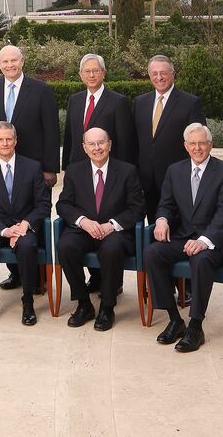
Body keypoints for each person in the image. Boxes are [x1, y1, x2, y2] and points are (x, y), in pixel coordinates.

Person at [145, 123, 223, 353]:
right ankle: (175, 319)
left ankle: (196, 326)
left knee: (201, 260)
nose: (198, 148)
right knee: (153, 253)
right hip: (183, 236)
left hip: (212, 242)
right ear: (186, 146)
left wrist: (204, 240)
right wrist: (162, 220)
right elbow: (165, 204)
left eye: (202, 143)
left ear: (210, 144)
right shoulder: (175, 171)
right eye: (193, 143)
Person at [0, 44, 60, 290]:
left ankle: (37, 278)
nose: (10, 65)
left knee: (32, 220)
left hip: (33, 170)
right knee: (4, 215)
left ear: (22, 61)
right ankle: (17, 273)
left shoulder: (41, 90)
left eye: (14, 60)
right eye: (5, 62)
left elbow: (51, 130)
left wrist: (50, 168)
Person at [56, 127, 145, 331]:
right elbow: (63, 205)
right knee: (65, 246)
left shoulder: (127, 171)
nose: (97, 148)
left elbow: (137, 208)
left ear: (110, 144)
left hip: (115, 231)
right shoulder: (74, 170)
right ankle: (84, 304)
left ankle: (107, 306)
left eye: (101, 143)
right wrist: (83, 221)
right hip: (84, 229)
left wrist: (111, 225)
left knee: (111, 250)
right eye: (92, 144)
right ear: (84, 147)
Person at [0, 121, 51, 326]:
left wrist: (25, 224)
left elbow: (43, 204)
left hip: (23, 225)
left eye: (9, 139)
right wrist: (4, 230)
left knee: (27, 245)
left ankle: (28, 301)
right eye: (0, 139)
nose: (5, 143)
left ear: (16, 141)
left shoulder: (32, 167)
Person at [134, 55, 206, 221]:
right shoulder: (140, 102)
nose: (159, 77)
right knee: (153, 225)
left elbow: (198, 143)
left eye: (163, 73)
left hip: (178, 178)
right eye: (154, 73)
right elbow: (135, 141)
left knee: (177, 227)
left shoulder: (190, 103)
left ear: (173, 74)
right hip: (146, 179)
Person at [62, 54, 136, 167]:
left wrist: (124, 172)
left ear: (103, 73)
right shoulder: (74, 100)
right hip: (78, 167)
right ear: (80, 74)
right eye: (87, 71)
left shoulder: (119, 102)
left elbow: (124, 143)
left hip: (108, 169)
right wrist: (67, 166)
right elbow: (69, 137)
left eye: (95, 71)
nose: (91, 75)